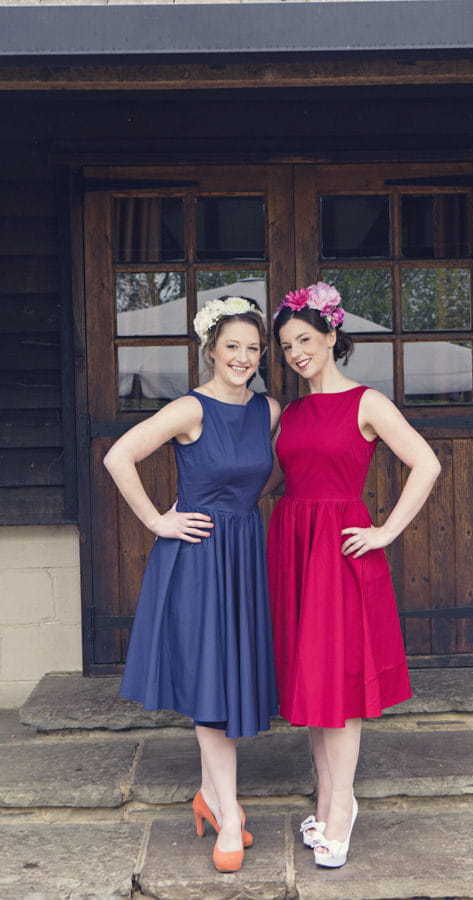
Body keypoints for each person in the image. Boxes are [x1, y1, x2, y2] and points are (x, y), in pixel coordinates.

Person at [266, 282, 441, 869]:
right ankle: (328, 797)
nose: (295, 352)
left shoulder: (367, 402)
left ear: (332, 335)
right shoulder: (289, 411)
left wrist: (387, 531)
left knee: (338, 686)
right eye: (287, 344)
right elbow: (273, 480)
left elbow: (426, 462)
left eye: (305, 339)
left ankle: (341, 808)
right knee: (311, 683)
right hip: (293, 544)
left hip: (340, 549)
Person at [103, 296, 280, 873]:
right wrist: (158, 520)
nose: (243, 357)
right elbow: (118, 456)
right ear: (210, 349)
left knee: (228, 678)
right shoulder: (189, 408)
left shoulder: (268, 411)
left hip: (244, 552)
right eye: (232, 346)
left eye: (253, 348)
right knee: (211, 685)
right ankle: (230, 814)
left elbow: (268, 475)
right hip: (199, 557)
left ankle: (210, 795)